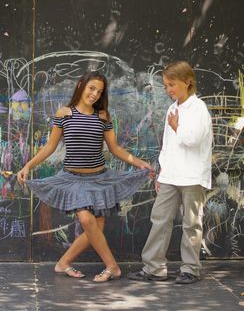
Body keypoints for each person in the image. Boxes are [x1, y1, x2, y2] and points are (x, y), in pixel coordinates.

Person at [17, 71, 153, 283]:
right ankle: (113, 266)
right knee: (87, 220)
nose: (95, 94)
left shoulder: (102, 116)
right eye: (92, 88)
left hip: (100, 179)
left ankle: (62, 264)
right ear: (81, 85)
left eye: (99, 91)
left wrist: (139, 162)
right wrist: (28, 166)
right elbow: (50, 147)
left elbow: (115, 148)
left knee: (96, 229)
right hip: (73, 179)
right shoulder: (64, 114)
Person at [128, 61, 212, 284]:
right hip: (170, 176)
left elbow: (193, 140)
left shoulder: (199, 108)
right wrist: (161, 172)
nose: (168, 90)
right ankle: (154, 268)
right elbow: (167, 144)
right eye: (166, 85)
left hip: (193, 176)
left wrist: (177, 126)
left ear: (188, 82)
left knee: (191, 223)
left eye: (171, 84)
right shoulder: (172, 108)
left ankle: (191, 269)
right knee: (160, 220)